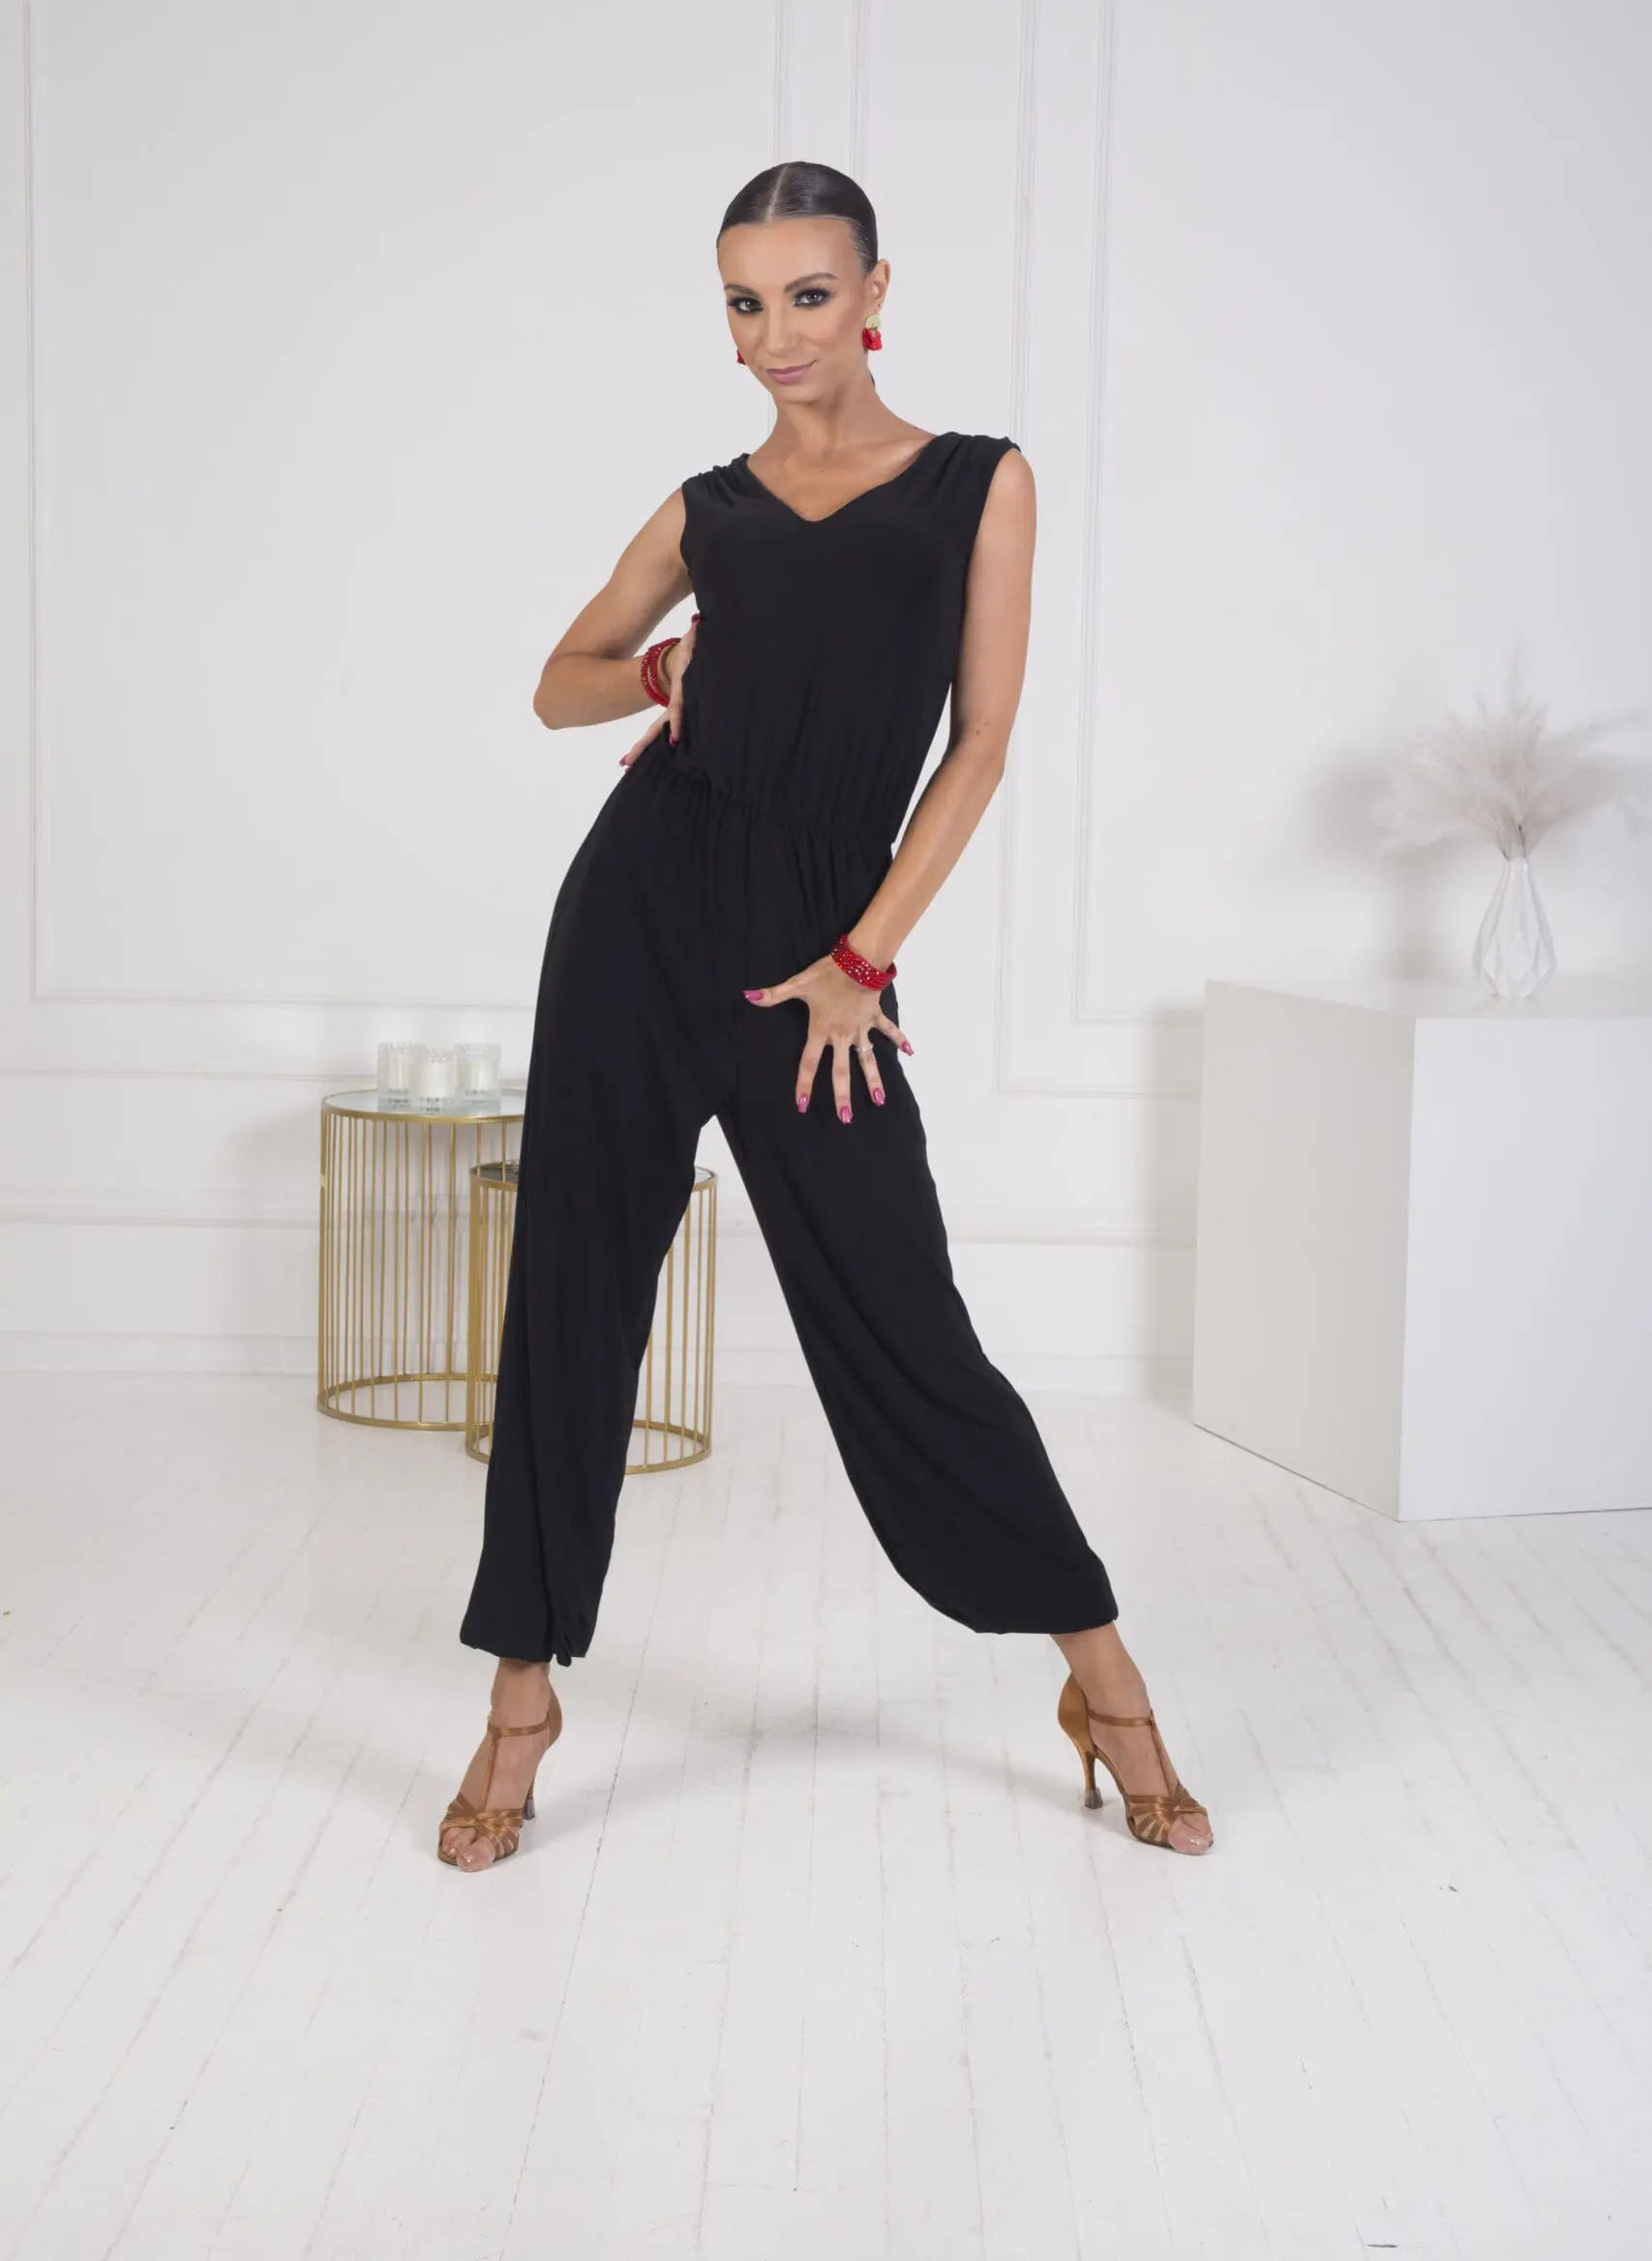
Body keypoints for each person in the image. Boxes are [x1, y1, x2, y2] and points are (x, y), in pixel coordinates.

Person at [438, 161, 1212, 1870]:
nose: (774, 332)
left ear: (872, 293)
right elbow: (556, 685)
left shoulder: (974, 484)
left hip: (817, 958)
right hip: (635, 920)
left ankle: (1102, 1681)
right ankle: (519, 1704)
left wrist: (858, 963)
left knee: (902, 1315)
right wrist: (659, 670)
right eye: (743, 301)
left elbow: (978, 748)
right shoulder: (706, 507)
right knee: (570, 1296)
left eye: (806, 293)